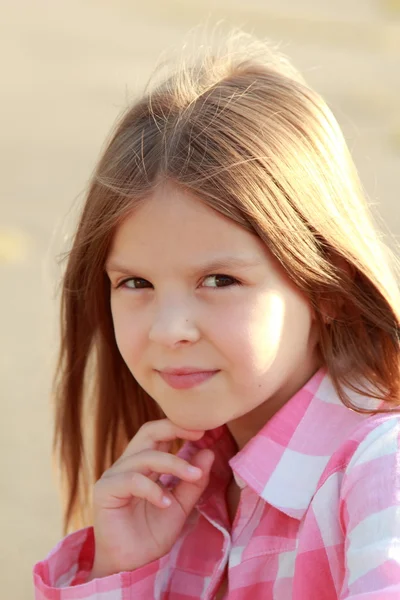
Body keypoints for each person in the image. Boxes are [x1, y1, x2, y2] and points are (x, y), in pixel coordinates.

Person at [33, 30, 400, 599]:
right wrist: (121, 570)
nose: (167, 329)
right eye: (135, 282)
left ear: (327, 286)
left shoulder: (383, 470)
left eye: (219, 280)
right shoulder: (170, 496)